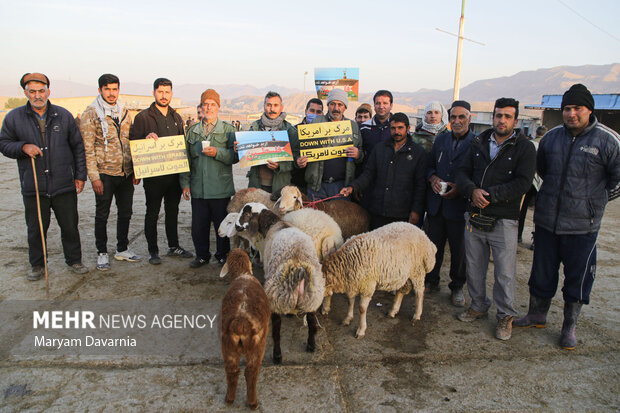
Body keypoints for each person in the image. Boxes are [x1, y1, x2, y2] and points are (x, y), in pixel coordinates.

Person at [515, 84, 620, 350]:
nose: (571, 114)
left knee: (578, 277)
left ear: (589, 110)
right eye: (567, 109)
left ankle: (568, 327)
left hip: (583, 226)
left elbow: (617, 180)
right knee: (541, 272)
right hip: (548, 221)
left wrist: (594, 202)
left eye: (577, 109)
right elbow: (543, 171)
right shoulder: (551, 138)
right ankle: (537, 315)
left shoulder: (607, 140)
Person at [455, 97, 536, 341]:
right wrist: (472, 191)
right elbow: (461, 172)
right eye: (498, 115)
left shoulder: (525, 147)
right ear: (493, 116)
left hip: (504, 219)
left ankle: (505, 316)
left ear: (515, 119)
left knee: (504, 272)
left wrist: (490, 195)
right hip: (475, 214)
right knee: (474, 265)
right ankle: (479, 305)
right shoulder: (478, 142)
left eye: (507, 116)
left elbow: (523, 182)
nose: (502, 120)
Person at [0, 73, 88, 280]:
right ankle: (38, 265)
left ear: (49, 91)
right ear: (25, 93)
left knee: (69, 226)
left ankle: (74, 260)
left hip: (63, 184)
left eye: (41, 91)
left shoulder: (63, 115)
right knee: (36, 228)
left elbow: (77, 147)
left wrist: (80, 175)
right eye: (32, 91)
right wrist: (22, 147)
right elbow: (3, 143)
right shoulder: (14, 117)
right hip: (33, 184)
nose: (37, 95)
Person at [129, 78, 193, 265]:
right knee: (152, 212)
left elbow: (182, 147)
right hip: (154, 176)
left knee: (172, 211)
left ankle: (173, 246)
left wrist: (184, 179)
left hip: (174, 176)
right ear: (154, 93)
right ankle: (153, 251)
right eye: (160, 92)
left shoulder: (176, 117)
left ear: (171, 94)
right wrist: (145, 141)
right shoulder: (143, 117)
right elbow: (134, 144)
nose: (164, 96)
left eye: (167, 92)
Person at [80, 74, 140, 271]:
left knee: (125, 212)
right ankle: (102, 252)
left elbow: (131, 141)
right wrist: (94, 177)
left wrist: (136, 169)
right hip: (104, 174)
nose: (111, 93)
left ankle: (122, 248)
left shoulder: (124, 111)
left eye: (114, 89)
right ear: (100, 90)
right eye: (107, 89)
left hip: (125, 173)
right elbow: (87, 149)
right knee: (102, 214)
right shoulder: (91, 114)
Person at [424, 100, 475, 305]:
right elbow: (429, 166)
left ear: (469, 118)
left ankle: (457, 287)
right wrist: (433, 178)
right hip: (437, 204)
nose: (457, 121)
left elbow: (478, 175)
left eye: (461, 117)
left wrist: (461, 188)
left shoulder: (476, 143)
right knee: (433, 246)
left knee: (459, 250)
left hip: (459, 206)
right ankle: (431, 280)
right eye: (453, 117)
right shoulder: (441, 140)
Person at [180, 89, 237, 268]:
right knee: (199, 226)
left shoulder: (228, 130)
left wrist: (218, 152)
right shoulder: (192, 132)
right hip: (199, 188)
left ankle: (222, 255)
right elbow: (185, 160)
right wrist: (185, 184)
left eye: (212, 104)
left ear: (218, 107)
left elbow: (235, 157)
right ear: (201, 107)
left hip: (220, 187)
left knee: (222, 224)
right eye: (206, 104)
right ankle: (202, 255)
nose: (209, 107)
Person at [340, 113, 426, 229]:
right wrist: (352, 187)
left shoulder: (418, 152)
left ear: (408, 128)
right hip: (378, 211)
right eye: (393, 128)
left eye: (400, 128)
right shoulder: (379, 148)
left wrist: (416, 211)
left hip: (402, 213)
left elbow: (420, 185)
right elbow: (368, 174)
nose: (396, 132)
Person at [296, 89, 363, 200]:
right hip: (317, 186)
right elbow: (301, 150)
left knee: (339, 217)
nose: (336, 108)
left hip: (342, 186)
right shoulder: (316, 123)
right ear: (328, 105)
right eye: (332, 104)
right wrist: (299, 160)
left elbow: (361, 155)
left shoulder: (353, 126)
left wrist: (358, 154)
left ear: (345, 107)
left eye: (340, 105)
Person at [246, 91, 298, 194]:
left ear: (281, 107)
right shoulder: (255, 127)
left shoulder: (289, 130)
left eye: (275, 105)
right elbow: (246, 154)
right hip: (257, 185)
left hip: (280, 186)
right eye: (269, 105)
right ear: (264, 106)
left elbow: (296, 159)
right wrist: (240, 149)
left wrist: (280, 166)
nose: (272, 109)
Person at [517, 125, 547, 246]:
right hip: (540, 182)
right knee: (539, 212)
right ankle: (536, 240)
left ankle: (518, 235)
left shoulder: (530, 144)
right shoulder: (547, 144)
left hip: (528, 180)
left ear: (536, 133)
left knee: (522, 209)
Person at [292, 98, 324, 191]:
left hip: (317, 185)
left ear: (322, 114)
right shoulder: (294, 130)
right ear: (306, 111)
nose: (314, 114)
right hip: (297, 182)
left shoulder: (326, 132)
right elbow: (287, 154)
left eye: (318, 112)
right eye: (312, 111)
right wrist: (296, 161)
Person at [360, 90, 393, 162]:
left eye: (385, 103)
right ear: (374, 106)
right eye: (378, 103)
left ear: (391, 105)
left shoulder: (399, 127)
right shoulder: (364, 127)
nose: (381, 107)